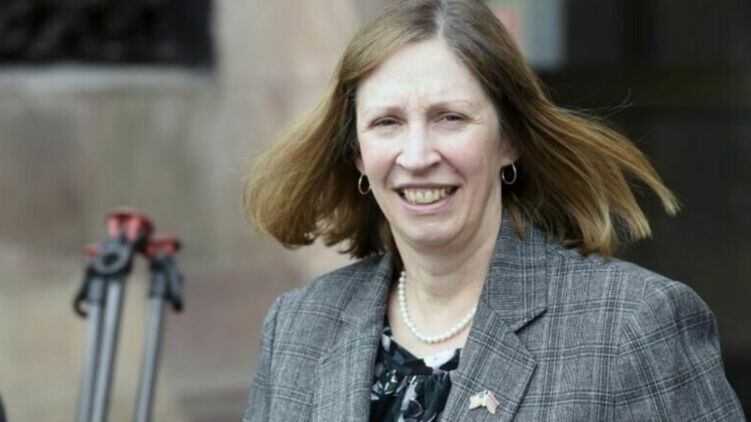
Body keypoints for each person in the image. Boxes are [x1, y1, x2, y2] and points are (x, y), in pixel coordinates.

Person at [242, 0, 745, 420]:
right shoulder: (297, 327)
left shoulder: (634, 324)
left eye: (450, 117)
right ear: (358, 152)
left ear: (510, 140)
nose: (416, 156)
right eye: (387, 122)